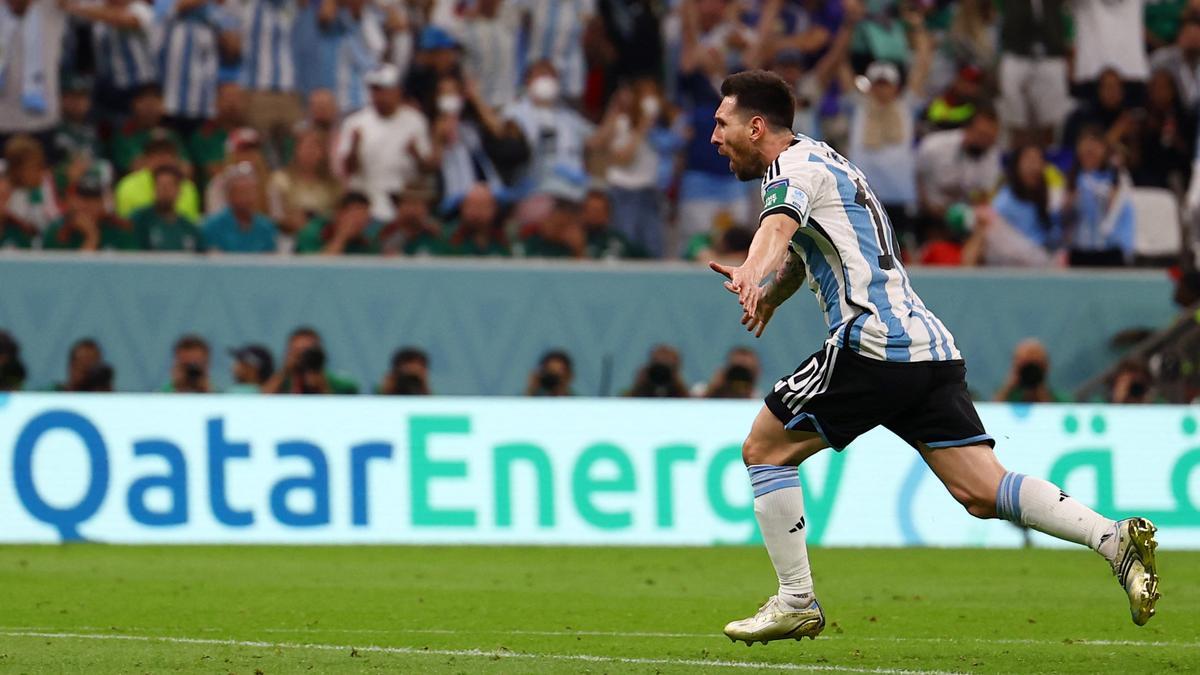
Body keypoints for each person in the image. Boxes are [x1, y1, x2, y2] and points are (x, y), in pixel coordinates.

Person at [705, 70, 1159, 644]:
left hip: (871, 343)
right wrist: (771, 293)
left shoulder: (788, 170)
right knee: (982, 490)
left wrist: (750, 270)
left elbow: (777, 227)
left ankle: (795, 600)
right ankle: (1112, 539)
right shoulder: (824, 160)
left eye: (721, 124)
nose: (714, 137)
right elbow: (803, 249)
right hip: (926, 347)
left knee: (764, 450)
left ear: (755, 126)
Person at [335, 64, 434, 222]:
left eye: (384, 90)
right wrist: (355, 146)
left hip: (400, 203)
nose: (379, 96)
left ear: (397, 91)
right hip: (365, 202)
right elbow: (347, 170)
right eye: (375, 90)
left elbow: (428, 169)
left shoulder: (415, 121)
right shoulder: (355, 122)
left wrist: (415, 153)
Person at [1066, 129, 1135, 267]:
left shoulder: (1118, 179)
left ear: (1104, 150)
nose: (1090, 150)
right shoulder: (1073, 180)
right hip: (1080, 251)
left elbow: (1125, 214)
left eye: (1095, 146)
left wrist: (1127, 248)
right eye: (1086, 147)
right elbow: (1063, 220)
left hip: (1110, 251)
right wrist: (1068, 206)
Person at [42, 174, 138, 250]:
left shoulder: (119, 230)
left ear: (102, 203)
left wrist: (92, 235)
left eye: (94, 199)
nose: (87, 205)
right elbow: (68, 270)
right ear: (71, 200)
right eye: (82, 198)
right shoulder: (57, 231)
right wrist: (92, 237)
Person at [200, 162, 278, 253]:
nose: (248, 198)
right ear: (229, 195)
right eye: (242, 192)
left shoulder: (267, 228)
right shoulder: (211, 227)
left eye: (251, 192)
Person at [261, 326, 359, 394]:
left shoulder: (339, 383)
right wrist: (284, 372)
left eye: (307, 352)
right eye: (296, 351)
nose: (302, 357)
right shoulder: (282, 381)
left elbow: (343, 408)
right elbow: (261, 402)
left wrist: (321, 384)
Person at [131, 165, 203, 251]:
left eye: (169, 186)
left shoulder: (189, 229)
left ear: (179, 190)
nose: (164, 190)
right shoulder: (140, 220)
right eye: (160, 185)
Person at [295, 191, 381, 255]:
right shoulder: (312, 232)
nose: (358, 223)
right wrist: (341, 237)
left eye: (363, 218)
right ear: (338, 214)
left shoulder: (368, 241)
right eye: (354, 216)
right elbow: (317, 268)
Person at [993, 338, 1067, 403]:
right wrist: (1007, 388)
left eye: (1034, 367)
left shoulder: (1061, 400)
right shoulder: (1006, 398)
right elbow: (992, 411)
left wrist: (1042, 393)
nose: (1029, 373)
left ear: (1046, 366)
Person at [695, 346, 761, 398]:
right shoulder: (701, 390)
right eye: (735, 371)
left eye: (745, 373)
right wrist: (713, 390)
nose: (739, 376)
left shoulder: (758, 400)